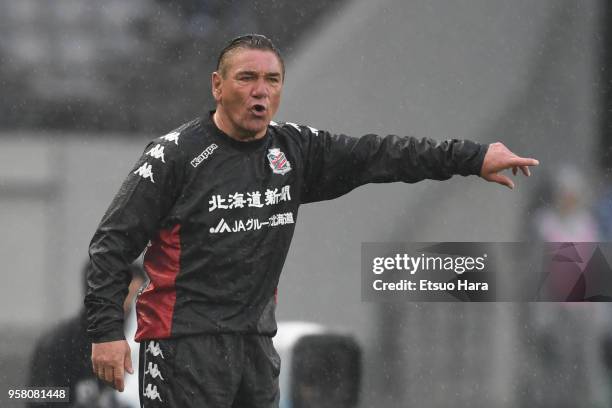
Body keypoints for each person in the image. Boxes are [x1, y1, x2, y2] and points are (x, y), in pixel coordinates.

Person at [85, 34, 539, 408]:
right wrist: (106, 332)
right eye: (246, 78)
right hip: (184, 343)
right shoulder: (175, 156)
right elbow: (112, 244)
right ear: (217, 86)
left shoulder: (295, 150)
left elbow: (383, 154)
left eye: (272, 80)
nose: (260, 90)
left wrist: (474, 157)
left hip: (255, 342)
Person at [29, 261, 144, 408]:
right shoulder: (58, 343)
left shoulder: (140, 342)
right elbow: (36, 396)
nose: (134, 310)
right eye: (127, 299)